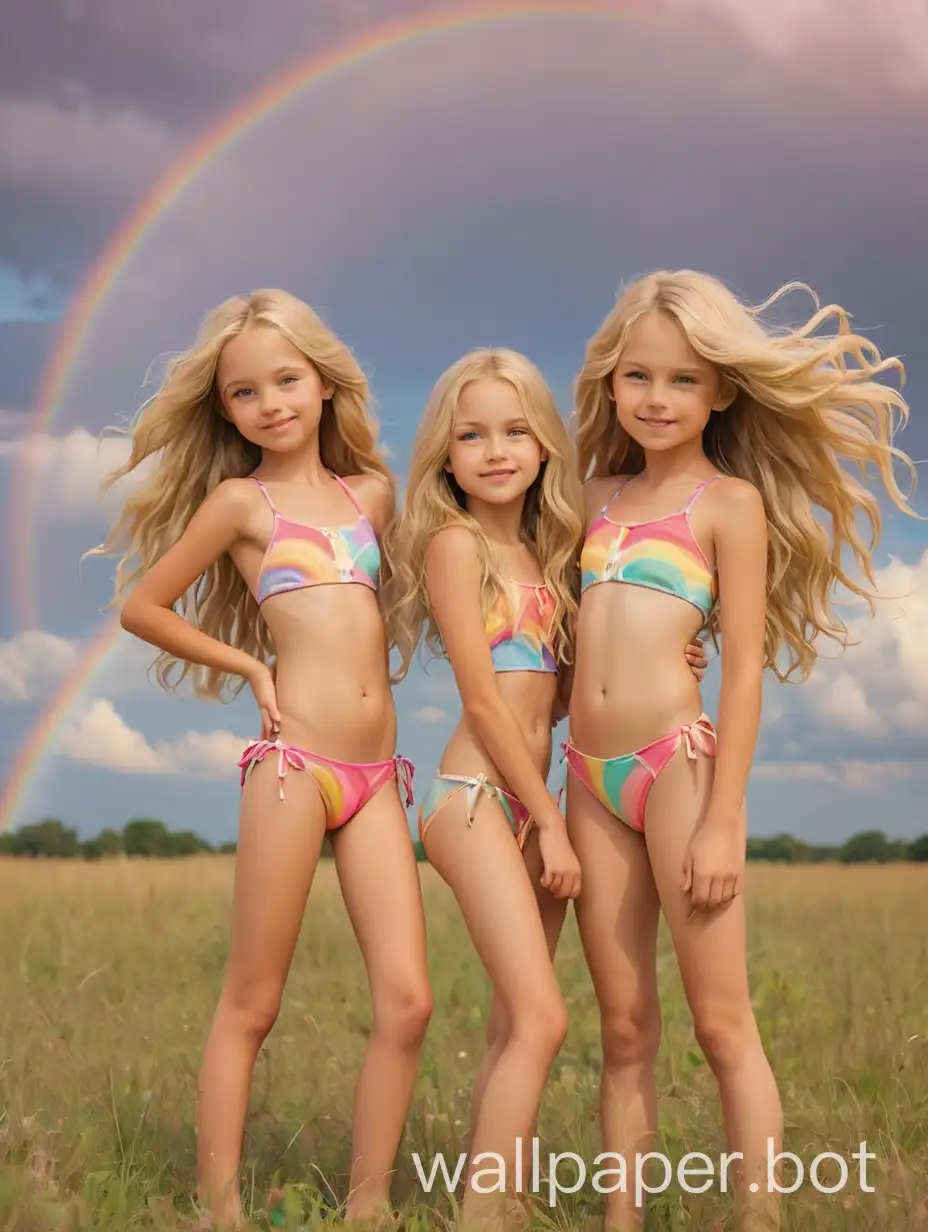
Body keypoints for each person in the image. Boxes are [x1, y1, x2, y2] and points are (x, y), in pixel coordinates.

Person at [561, 269, 920, 1230]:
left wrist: (722, 822)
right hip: (586, 781)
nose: (656, 398)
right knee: (624, 1027)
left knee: (723, 1023)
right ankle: (620, 1222)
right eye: (637, 376)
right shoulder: (591, 495)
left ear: (721, 390)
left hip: (677, 769)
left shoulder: (729, 506)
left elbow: (747, 670)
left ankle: (758, 1219)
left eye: (682, 380)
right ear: (610, 383)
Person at [91, 289, 433, 1229]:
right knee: (254, 1001)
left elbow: (445, 586)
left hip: (378, 782)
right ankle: (221, 1212)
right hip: (295, 769)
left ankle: (369, 1209)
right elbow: (144, 607)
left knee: (407, 1002)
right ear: (229, 410)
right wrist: (250, 664)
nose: (271, 403)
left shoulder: (372, 493)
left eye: (287, 380)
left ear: (324, 383)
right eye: (246, 393)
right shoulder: (241, 502)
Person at [381, 347, 707, 1228]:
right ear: (444, 454)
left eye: (516, 430)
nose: (495, 451)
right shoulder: (456, 545)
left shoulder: (548, 551)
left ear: (545, 444)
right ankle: (482, 1217)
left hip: (532, 804)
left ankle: (509, 1204)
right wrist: (554, 829)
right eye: (471, 434)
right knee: (542, 1019)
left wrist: (667, 650)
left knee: (508, 1029)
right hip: (478, 800)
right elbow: (486, 703)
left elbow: (559, 690)